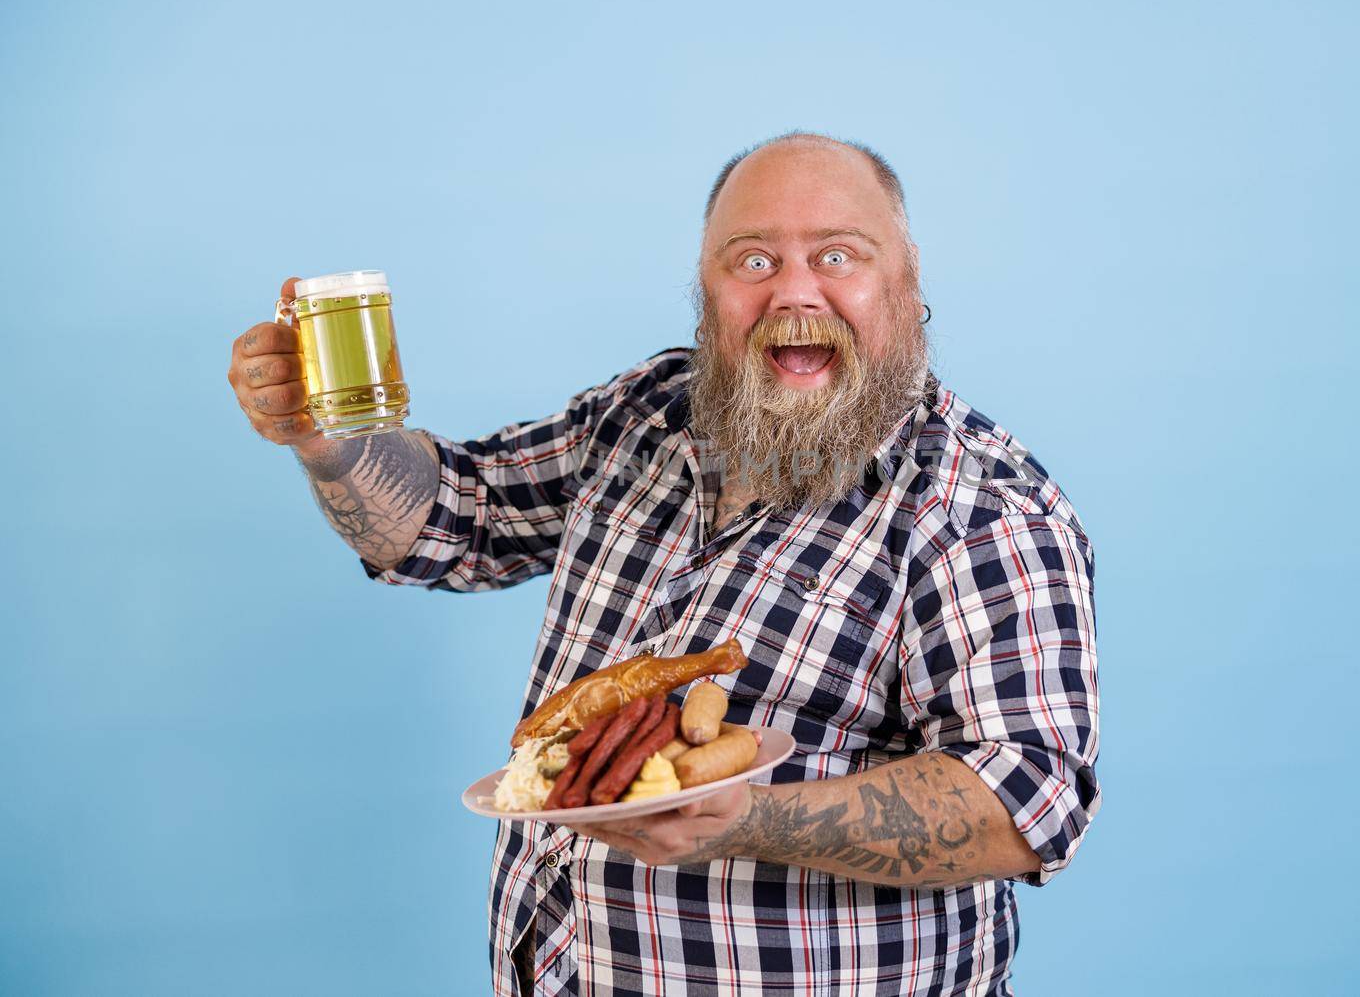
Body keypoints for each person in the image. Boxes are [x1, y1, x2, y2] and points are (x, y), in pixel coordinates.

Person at [226, 131, 1101, 996]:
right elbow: (457, 516)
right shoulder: (645, 413)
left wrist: (748, 818)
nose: (796, 291)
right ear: (706, 290)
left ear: (908, 284)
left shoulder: (982, 509)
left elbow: (1025, 797)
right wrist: (323, 436)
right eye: (751, 261)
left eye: (838, 255)